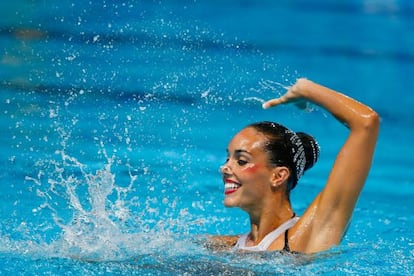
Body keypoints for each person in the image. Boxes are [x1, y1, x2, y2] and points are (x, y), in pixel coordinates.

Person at [211, 78, 379, 254]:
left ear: (278, 176)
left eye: (242, 161)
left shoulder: (307, 236)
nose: (224, 168)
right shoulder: (227, 245)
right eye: (227, 158)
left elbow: (366, 123)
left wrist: (308, 91)